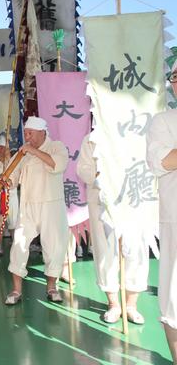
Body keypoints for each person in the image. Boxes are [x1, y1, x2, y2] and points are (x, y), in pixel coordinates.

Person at [78, 133, 148, 324]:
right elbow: (83, 170)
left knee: (136, 249)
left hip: (132, 199)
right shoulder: (91, 139)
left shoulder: (135, 132)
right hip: (101, 201)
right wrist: (98, 175)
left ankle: (131, 305)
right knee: (105, 251)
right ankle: (114, 304)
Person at [5, 116, 70, 305]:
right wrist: (6, 181)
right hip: (28, 205)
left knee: (54, 247)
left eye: (30, 133)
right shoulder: (22, 154)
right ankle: (16, 290)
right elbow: (12, 176)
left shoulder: (56, 147)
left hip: (52, 205)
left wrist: (32, 151)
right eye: (25, 133)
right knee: (19, 244)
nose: (27, 136)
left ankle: (52, 287)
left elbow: (57, 164)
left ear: (42, 132)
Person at [146, 64, 177, 361]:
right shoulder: (163, 122)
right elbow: (162, 161)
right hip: (176, 223)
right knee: (174, 303)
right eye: (176, 77)